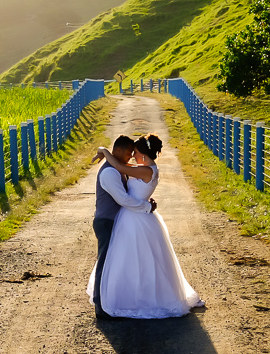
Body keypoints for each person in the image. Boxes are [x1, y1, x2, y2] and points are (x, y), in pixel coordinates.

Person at [86, 134, 204, 319]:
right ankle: (109, 300)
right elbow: (123, 173)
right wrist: (104, 150)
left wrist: (104, 151)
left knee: (135, 260)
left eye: (134, 153)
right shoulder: (142, 169)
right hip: (127, 217)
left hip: (135, 217)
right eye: (130, 153)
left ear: (143, 153)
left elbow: (122, 171)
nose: (132, 157)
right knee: (122, 260)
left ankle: (128, 299)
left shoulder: (145, 170)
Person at [90, 134, 156, 319]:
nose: (130, 157)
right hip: (106, 222)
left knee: (115, 264)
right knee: (104, 263)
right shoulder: (110, 172)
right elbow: (124, 199)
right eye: (128, 153)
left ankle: (113, 300)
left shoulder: (118, 169)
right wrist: (146, 207)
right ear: (118, 151)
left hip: (116, 221)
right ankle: (100, 305)